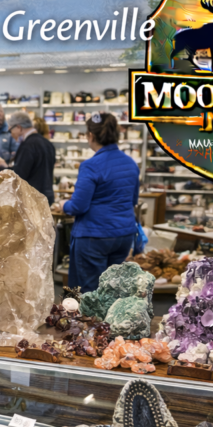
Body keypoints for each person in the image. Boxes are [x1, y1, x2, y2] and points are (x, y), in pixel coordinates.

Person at [59, 112, 140, 293]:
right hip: (123, 235)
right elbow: (133, 200)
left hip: (94, 237)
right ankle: (111, 322)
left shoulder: (90, 165)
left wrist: (63, 204)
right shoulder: (130, 164)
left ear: (91, 135)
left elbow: (78, 206)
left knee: (91, 293)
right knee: (114, 290)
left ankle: (94, 322)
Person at [0, 111, 55, 204]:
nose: (11, 134)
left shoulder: (28, 145)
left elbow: (19, 176)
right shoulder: (48, 144)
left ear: (18, 127)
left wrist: (2, 168)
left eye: (10, 130)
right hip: (46, 198)